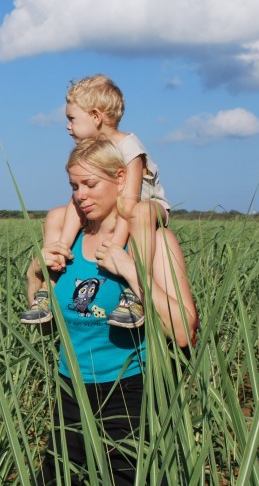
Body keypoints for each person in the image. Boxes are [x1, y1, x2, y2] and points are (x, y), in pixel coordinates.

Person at [31, 137, 198, 485]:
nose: (81, 195)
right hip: (70, 391)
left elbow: (184, 331)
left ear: (121, 179)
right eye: (74, 186)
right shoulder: (67, 242)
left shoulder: (155, 241)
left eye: (90, 184)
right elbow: (44, 325)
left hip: (131, 396)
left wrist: (131, 270)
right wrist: (36, 274)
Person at [21, 74, 170, 328]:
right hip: (118, 208)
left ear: (95, 116)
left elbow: (130, 202)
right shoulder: (93, 149)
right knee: (58, 214)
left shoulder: (129, 148)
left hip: (147, 206)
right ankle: (48, 285)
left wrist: (114, 246)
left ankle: (133, 295)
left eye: (71, 119)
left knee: (141, 214)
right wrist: (62, 245)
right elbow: (76, 200)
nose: (67, 126)